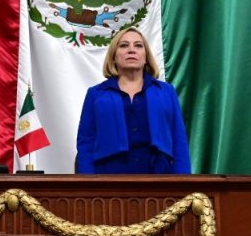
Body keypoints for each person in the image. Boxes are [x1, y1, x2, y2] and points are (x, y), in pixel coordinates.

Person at [75, 27, 190, 174]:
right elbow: (86, 144)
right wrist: (86, 187)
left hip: (159, 178)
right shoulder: (96, 94)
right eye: (124, 45)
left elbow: (179, 142)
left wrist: (184, 184)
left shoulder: (166, 92)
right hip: (108, 178)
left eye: (138, 45)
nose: (131, 50)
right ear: (113, 56)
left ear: (146, 57)